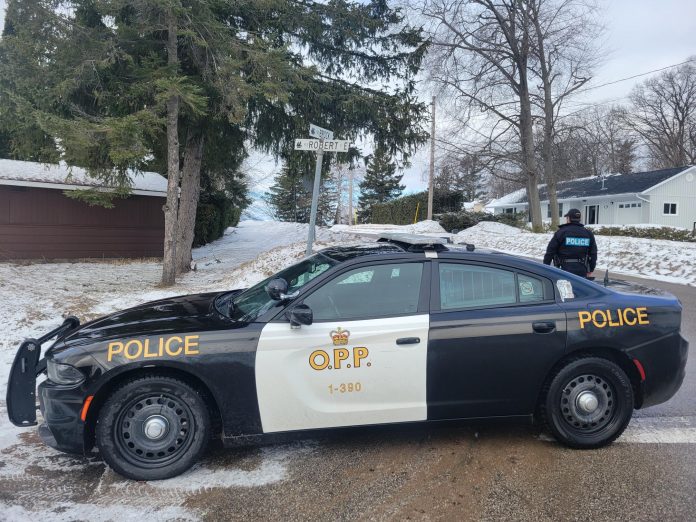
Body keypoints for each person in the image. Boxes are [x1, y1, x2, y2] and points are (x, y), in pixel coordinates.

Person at [543, 208, 597, 279]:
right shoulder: (588, 233)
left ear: (569, 218)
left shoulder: (561, 232)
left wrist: (545, 267)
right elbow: (593, 254)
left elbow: (550, 251)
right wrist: (591, 269)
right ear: (579, 219)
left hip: (564, 270)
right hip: (582, 271)